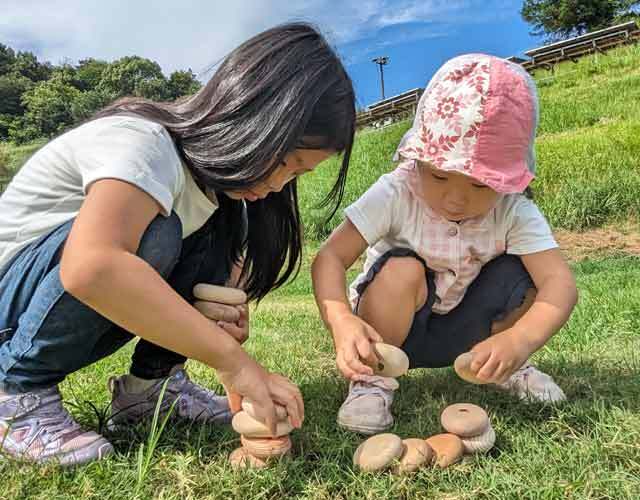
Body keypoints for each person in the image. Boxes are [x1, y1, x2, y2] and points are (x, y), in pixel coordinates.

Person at [0, 23, 356, 465]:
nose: (280, 185)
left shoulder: (220, 202)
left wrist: (216, 333)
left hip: (53, 297)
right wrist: (233, 362)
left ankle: (152, 390)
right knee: (159, 232)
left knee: (219, 236)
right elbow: (91, 266)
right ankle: (14, 392)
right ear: (253, 117)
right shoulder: (144, 144)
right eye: (286, 161)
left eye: (297, 175)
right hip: (11, 302)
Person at [312, 53, 578, 435]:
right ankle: (371, 381)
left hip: (469, 333)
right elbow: (330, 258)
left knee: (525, 270)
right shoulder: (396, 191)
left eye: (479, 185)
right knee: (402, 268)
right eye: (438, 177)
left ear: (505, 181)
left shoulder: (512, 210)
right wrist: (341, 321)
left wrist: (518, 341)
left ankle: (502, 366)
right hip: (392, 331)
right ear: (417, 158)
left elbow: (560, 286)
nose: (455, 199)